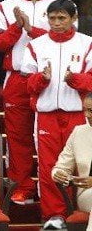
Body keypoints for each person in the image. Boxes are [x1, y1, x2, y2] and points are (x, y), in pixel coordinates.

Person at [0, 0, 74, 206]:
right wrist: (17, 26)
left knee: (55, 136)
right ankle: (22, 187)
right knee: (18, 136)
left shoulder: (62, 4)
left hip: (53, 79)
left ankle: (59, 188)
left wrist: (30, 29)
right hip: (16, 78)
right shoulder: (6, 6)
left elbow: (68, 35)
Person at [20, 0, 92, 229]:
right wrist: (42, 79)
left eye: (62, 18)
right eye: (52, 18)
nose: (57, 23)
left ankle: (79, 212)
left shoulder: (87, 44)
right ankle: (54, 215)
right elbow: (27, 83)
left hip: (78, 114)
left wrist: (75, 80)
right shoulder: (36, 46)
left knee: (81, 164)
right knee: (49, 165)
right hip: (47, 114)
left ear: (74, 19)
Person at [52, 92, 92, 231]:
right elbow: (61, 166)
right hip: (87, 195)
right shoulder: (78, 133)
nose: (87, 115)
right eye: (85, 110)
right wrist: (58, 173)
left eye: (91, 110)